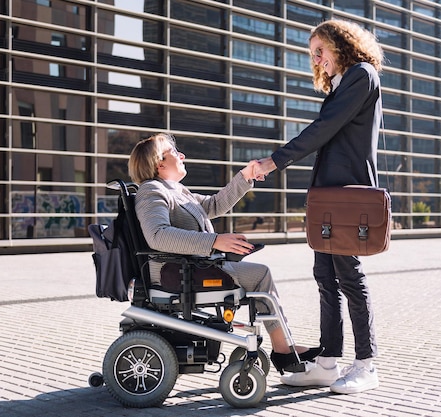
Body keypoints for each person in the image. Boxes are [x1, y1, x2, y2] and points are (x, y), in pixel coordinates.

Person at [255, 19, 384, 394]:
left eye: (320, 51)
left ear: (339, 44)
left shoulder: (362, 75)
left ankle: (366, 365)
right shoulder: (344, 83)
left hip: (347, 194)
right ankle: (328, 362)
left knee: (349, 278)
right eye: (313, 54)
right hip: (329, 195)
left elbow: (323, 129)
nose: (316, 60)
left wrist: (272, 162)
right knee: (325, 277)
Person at [127, 133, 321, 373]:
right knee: (260, 275)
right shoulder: (151, 191)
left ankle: (283, 348)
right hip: (175, 274)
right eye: (175, 152)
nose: (182, 155)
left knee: (260, 274)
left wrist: (245, 176)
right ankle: (283, 350)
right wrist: (216, 241)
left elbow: (214, 205)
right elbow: (157, 235)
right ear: (159, 163)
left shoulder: (176, 191)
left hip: (191, 268)